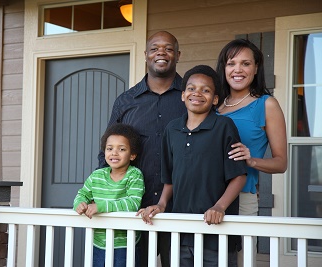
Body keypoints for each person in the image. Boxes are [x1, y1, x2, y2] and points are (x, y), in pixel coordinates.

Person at [138, 65, 247, 267]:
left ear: (215, 99)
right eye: (191, 88)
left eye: (205, 90)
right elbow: (169, 177)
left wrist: (219, 206)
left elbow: (239, 175)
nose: (197, 93)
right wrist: (161, 204)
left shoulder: (224, 127)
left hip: (216, 233)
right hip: (181, 233)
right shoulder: (172, 129)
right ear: (183, 95)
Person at [98, 31, 186, 266]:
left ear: (177, 55)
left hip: (181, 206)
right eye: (155, 48)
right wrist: (103, 193)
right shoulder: (126, 101)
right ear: (146, 55)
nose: (161, 53)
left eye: (168, 48)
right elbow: (106, 151)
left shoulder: (191, 97)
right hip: (133, 207)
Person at [215, 38, 288, 266]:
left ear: (256, 68)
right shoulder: (212, 104)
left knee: (241, 260)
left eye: (246, 64)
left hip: (243, 197)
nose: (238, 69)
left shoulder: (266, 104)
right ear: (223, 68)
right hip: (205, 194)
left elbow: (280, 163)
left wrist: (251, 160)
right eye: (231, 63)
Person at [74, 123, 145, 267]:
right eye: (109, 148)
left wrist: (100, 207)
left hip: (125, 244)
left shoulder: (134, 175)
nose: (114, 153)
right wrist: (79, 203)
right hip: (98, 243)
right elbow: (82, 194)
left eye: (122, 149)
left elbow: (132, 204)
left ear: (132, 155)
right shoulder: (97, 176)